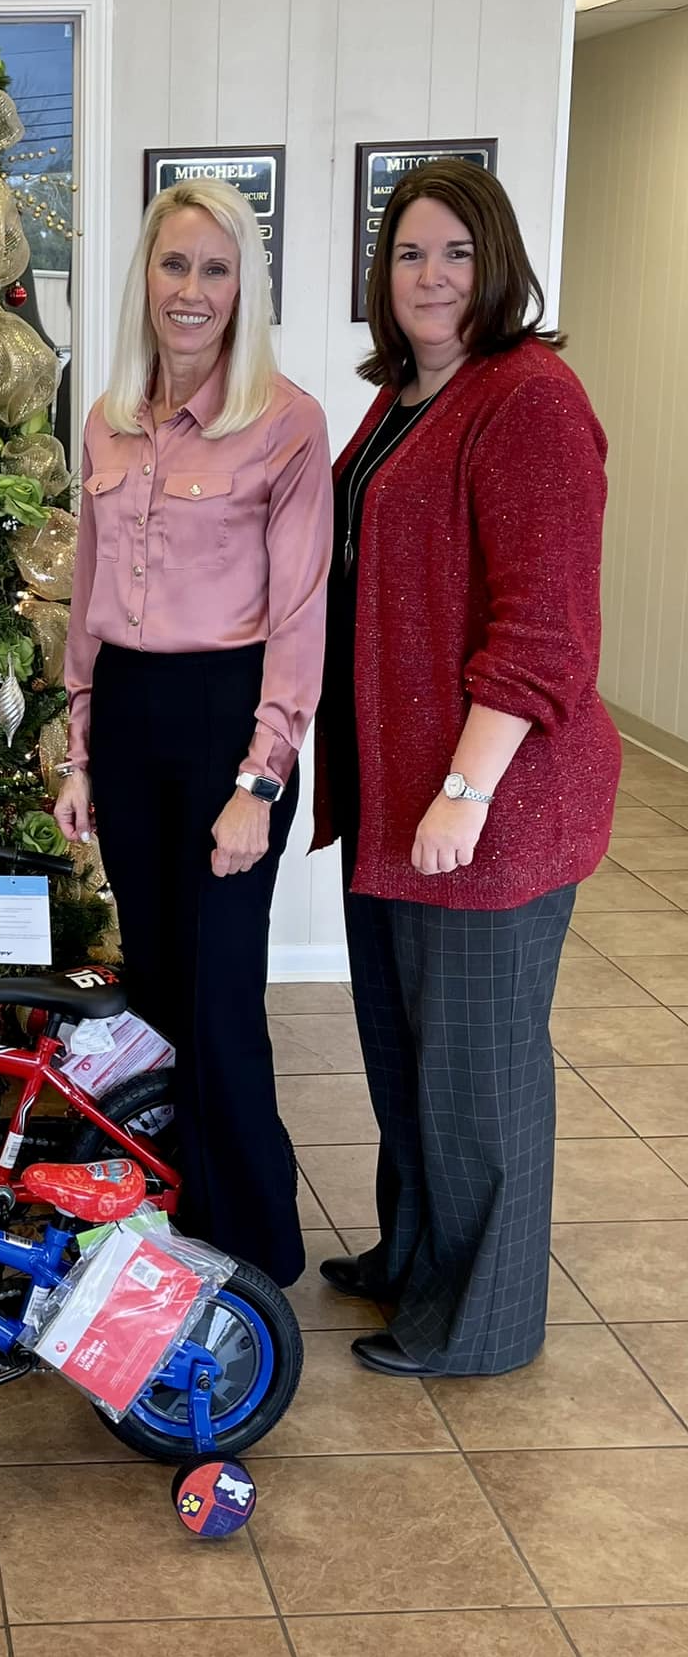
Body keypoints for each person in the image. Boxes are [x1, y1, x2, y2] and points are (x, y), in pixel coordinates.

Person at [313, 160, 617, 1378]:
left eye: (453, 251)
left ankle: (479, 1324)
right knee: (406, 1057)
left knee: (477, 1075)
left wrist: (465, 785)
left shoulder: (527, 398)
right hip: (395, 795)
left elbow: (543, 626)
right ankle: (415, 1259)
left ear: (495, 263)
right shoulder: (404, 394)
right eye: (406, 253)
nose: (428, 275)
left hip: (487, 805)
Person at [56, 178, 330, 1288]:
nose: (192, 290)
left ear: (243, 289)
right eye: (175, 264)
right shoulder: (106, 418)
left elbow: (299, 615)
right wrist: (78, 753)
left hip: (230, 724)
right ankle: (170, 1230)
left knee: (219, 1003)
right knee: (161, 991)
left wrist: (260, 781)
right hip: (127, 717)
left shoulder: (286, 422)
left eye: (216, 269)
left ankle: (253, 1257)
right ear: (145, 279)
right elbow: (85, 597)